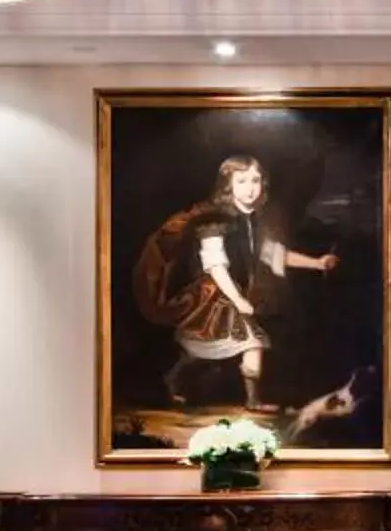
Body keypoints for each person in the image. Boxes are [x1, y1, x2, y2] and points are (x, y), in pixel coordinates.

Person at [133, 156, 337, 409]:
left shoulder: (252, 220)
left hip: (233, 293)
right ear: (228, 185)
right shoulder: (214, 221)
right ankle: (175, 382)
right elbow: (215, 266)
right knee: (225, 344)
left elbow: (272, 253)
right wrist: (239, 300)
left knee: (232, 344)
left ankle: (249, 399)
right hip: (214, 295)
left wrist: (317, 263)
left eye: (256, 180)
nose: (250, 187)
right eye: (241, 181)